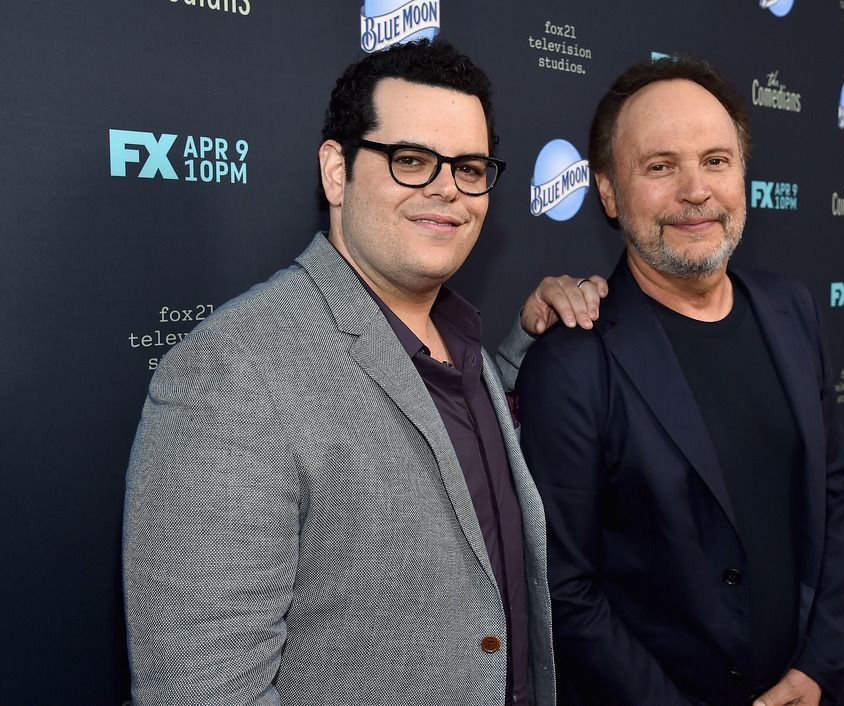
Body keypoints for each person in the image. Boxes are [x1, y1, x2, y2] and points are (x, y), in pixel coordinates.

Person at [122, 39, 604, 706]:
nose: (447, 189)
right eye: (411, 160)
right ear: (335, 171)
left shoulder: (461, 342)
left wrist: (524, 346)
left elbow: (432, 450)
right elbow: (202, 690)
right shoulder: (232, 373)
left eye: (469, 167)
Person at [511, 56, 844, 706]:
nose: (696, 190)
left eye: (716, 161)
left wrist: (817, 667)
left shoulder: (794, 311)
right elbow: (565, 593)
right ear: (609, 191)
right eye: (660, 166)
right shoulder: (572, 362)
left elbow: (835, 489)